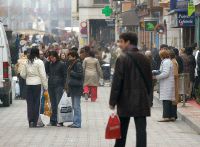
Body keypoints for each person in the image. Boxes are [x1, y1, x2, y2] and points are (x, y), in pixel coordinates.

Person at [109, 33, 153, 147]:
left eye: (121, 41)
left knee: (122, 130)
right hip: (141, 99)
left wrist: (112, 102)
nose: (119, 44)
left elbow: (117, 83)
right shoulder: (144, 58)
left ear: (128, 42)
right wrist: (148, 97)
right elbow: (150, 81)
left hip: (125, 100)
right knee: (141, 130)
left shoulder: (122, 58)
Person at [20, 48, 48, 128]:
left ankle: (31, 121)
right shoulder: (40, 62)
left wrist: (28, 77)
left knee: (30, 103)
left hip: (29, 84)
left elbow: (22, 74)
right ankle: (35, 121)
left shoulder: (27, 62)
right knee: (37, 103)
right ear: (37, 53)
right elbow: (43, 75)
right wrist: (46, 87)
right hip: (37, 84)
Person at [46, 51, 67, 127]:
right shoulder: (50, 64)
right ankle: (53, 120)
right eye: (50, 58)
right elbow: (47, 71)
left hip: (59, 85)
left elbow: (65, 75)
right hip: (51, 85)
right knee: (53, 103)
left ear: (56, 56)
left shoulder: (62, 64)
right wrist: (47, 62)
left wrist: (65, 86)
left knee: (59, 103)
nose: (52, 59)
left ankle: (60, 121)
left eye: (53, 57)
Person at [154, 49, 176, 122]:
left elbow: (165, 73)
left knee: (166, 100)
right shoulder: (167, 61)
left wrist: (156, 77)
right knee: (170, 99)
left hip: (167, 83)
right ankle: (172, 116)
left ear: (162, 55)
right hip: (168, 83)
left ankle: (166, 117)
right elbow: (161, 71)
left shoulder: (166, 62)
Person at [67, 51, 83, 128]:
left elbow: (80, 75)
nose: (69, 58)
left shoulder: (78, 64)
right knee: (74, 106)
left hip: (77, 87)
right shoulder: (72, 63)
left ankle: (77, 123)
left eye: (70, 57)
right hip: (73, 87)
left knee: (76, 106)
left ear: (74, 57)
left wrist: (72, 72)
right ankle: (75, 121)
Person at [169, 50, 179, 120]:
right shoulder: (173, 61)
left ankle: (173, 115)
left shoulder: (173, 62)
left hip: (174, 83)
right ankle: (173, 115)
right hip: (173, 82)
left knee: (173, 100)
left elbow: (175, 74)